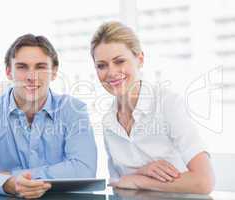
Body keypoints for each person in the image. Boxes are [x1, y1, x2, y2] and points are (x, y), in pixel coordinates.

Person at [0, 34, 97, 198]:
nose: (31, 76)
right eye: (22, 67)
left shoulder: (73, 110)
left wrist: (11, 175)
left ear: (54, 72)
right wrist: (9, 184)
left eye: (40, 67)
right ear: (9, 72)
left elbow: (84, 170)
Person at [90, 21, 215, 194]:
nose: (111, 72)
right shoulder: (109, 122)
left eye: (119, 61)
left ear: (140, 59)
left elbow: (204, 182)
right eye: (101, 65)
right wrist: (137, 175)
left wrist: (139, 180)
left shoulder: (167, 104)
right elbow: (119, 183)